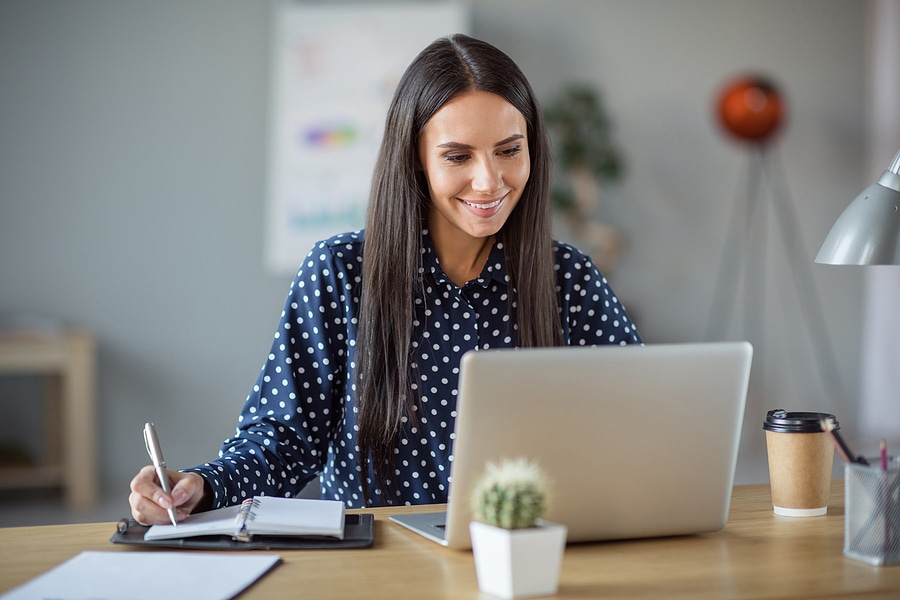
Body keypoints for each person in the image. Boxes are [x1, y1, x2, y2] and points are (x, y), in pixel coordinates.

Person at [129, 33, 642, 525]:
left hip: (529, 554)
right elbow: (284, 437)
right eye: (457, 156)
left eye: (509, 150)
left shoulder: (568, 278)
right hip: (377, 566)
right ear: (415, 160)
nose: (489, 180)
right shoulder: (340, 272)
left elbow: (640, 424)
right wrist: (203, 483)